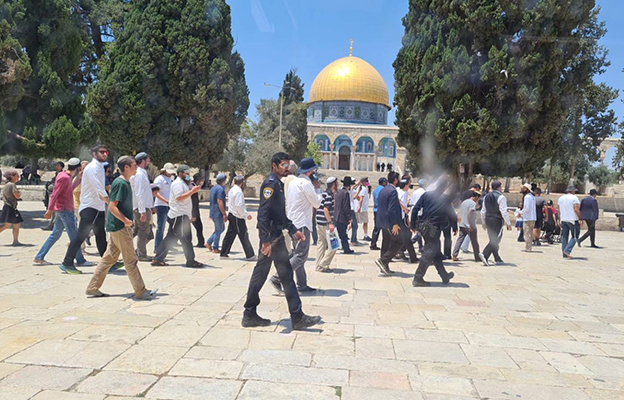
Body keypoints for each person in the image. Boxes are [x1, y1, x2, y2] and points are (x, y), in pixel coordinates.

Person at [242, 152, 321, 330]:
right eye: (283, 165)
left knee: (282, 276)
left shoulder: (278, 184)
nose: (287, 168)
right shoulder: (270, 184)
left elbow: (281, 215)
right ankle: (251, 313)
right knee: (264, 275)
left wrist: (294, 231)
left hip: (276, 236)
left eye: (288, 165)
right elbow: (263, 214)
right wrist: (265, 241)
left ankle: (294, 316)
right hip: (271, 239)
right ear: (274, 166)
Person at [85, 156, 157, 299]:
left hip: (116, 227)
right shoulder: (120, 183)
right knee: (130, 260)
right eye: (134, 165)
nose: (137, 167)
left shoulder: (126, 182)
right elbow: (112, 206)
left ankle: (92, 287)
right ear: (126, 167)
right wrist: (125, 220)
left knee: (109, 259)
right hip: (120, 227)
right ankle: (140, 291)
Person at [270, 158, 321, 293]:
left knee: (298, 254)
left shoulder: (294, 182)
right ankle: (277, 277)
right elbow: (316, 203)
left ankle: (302, 284)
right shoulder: (306, 184)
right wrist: (318, 189)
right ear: (310, 171)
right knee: (301, 256)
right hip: (302, 223)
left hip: (293, 222)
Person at [60, 145, 109, 274]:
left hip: (97, 207)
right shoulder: (92, 168)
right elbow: (98, 187)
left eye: (106, 152)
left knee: (101, 235)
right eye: (101, 152)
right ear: (94, 154)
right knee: (81, 235)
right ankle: (67, 262)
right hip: (90, 207)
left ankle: (108, 262)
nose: (104, 154)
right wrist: (110, 202)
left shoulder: (100, 167)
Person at [34, 158, 91, 266]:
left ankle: (39, 256)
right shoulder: (64, 177)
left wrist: (79, 178)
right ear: (78, 167)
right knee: (74, 236)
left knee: (55, 234)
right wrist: (49, 210)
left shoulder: (66, 176)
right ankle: (80, 260)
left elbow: (71, 189)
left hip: (63, 210)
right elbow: (55, 194)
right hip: (64, 210)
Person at [152, 165, 204, 268]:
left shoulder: (183, 183)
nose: (188, 175)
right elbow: (179, 198)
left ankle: (158, 259)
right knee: (186, 238)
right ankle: (190, 261)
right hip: (178, 216)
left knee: (170, 238)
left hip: (180, 215)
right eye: (186, 173)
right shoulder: (177, 184)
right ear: (180, 173)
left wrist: (192, 187)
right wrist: (192, 191)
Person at [410, 178, 455, 286]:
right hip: (433, 228)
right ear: (445, 187)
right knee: (429, 251)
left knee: (435, 251)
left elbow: (415, 209)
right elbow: (451, 213)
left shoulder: (426, 195)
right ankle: (418, 278)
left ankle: (444, 275)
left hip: (423, 226)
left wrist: (413, 225)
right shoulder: (445, 198)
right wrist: (455, 227)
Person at [220, 176, 255, 260]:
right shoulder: (238, 192)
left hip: (232, 214)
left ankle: (224, 253)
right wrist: (246, 214)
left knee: (230, 235)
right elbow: (239, 206)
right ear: (242, 183)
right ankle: (250, 255)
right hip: (237, 216)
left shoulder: (232, 189)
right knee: (243, 235)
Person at [375, 172, 403, 276]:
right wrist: (395, 224)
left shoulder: (383, 189)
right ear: (395, 180)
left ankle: (384, 266)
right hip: (389, 222)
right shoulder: (392, 191)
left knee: (386, 242)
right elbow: (392, 209)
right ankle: (383, 260)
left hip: (382, 220)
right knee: (398, 241)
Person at [479, 181, 512, 266]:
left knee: (492, 239)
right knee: (496, 239)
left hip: (488, 219)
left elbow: (483, 211)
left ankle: (497, 258)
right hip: (497, 220)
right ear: (499, 187)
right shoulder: (501, 197)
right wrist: (508, 223)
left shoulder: (486, 196)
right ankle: (485, 254)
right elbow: (503, 211)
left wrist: (483, 222)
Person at [130, 152, 154, 261]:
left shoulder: (141, 173)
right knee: (143, 231)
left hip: (144, 207)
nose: (149, 161)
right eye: (148, 159)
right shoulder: (139, 174)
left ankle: (121, 247)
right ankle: (141, 254)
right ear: (143, 160)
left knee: (136, 230)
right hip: (141, 207)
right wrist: (142, 211)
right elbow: (139, 193)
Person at [315, 176, 338, 272]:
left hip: (319, 222)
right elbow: (325, 209)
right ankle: (323, 264)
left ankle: (319, 266)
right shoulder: (329, 195)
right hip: (326, 224)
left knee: (321, 244)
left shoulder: (323, 194)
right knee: (334, 245)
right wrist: (330, 222)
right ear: (333, 185)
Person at [452, 191, 481, 262]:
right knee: (474, 242)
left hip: (462, 224)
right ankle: (477, 257)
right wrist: (471, 225)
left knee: (460, 239)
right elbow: (470, 213)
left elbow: (460, 212)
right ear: (476, 197)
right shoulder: (472, 203)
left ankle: (454, 254)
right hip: (469, 225)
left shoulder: (464, 202)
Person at [153, 163, 175, 252]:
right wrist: (166, 201)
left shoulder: (170, 179)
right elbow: (155, 193)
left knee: (174, 225)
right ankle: (157, 248)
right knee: (161, 227)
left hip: (169, 206)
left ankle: (167, 243)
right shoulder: (159, 179)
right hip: (161, 206)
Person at [0, 169, 24, 245]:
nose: (18, 177)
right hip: (10, 207)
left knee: (16, 224)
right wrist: (19, 193)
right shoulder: (12, 185)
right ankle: (15, 241)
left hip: (9, 207)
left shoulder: (7, 185)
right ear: (12, 176)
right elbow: (16, 195)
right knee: (7, 225)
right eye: (17, 175)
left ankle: (15, 241)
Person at [558, 185, 582, 259]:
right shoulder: (574, 198)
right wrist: (580, 218)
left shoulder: (560, 198)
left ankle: (564, 253)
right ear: (573, 191)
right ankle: (567, 251)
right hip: (572, 220)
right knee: (575, 236)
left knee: (565, 236)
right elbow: (576, 209)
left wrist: (559, 219)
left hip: (563, 219)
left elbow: (559, 210)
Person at [205, 173, 227, 253]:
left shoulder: (214, 188)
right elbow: (219, 201)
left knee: (221, 229)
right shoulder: (220, 189)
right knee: (218, 230)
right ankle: (215, 247)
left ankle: (209, 242)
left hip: (213, 212)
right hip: (218, 213)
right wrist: (224, 213)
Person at [334, 177, 355, 254]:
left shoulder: (338, 191)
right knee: (343, 234)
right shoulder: (346, 193)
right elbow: (346, 207)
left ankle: (344, 247)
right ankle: (346, 249)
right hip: (342, 217)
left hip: (336, 216)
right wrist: (349, 217)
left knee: (341, 233)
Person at [370, 177, 387, 251]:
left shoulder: (375, 190)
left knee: (376, 228)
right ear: (383, 182)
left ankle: (373, 243)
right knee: (384, 228)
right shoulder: (383, 190)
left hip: (376, 210)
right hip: (381, 210)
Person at [518, 183, 536, 252]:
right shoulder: (532, 197)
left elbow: (526, 207)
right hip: (533, 217)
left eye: (524, 188)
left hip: (528, 218)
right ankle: (529, 247)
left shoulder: (527, 197)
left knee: (527, 233)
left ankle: (528, 248)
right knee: (530, 233)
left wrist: (520, 213)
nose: (522, 189)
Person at [190, 173, 206, 247]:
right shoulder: (192, 188)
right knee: (199, 227)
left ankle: (201, 242)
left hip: (195, 212)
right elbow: (193, 203)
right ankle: (201, 243)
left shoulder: (194, 187)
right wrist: (193, 215)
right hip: (193, 213)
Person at [349, 180, 360, 246]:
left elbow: (353, 197)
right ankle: (353, 240)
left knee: (355, 225)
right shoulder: (349, 189)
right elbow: (353, 186)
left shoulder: (349, 190)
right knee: (354, 225)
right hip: (350, 209)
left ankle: (354, 239)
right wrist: (358, 182)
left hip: (351, 208)